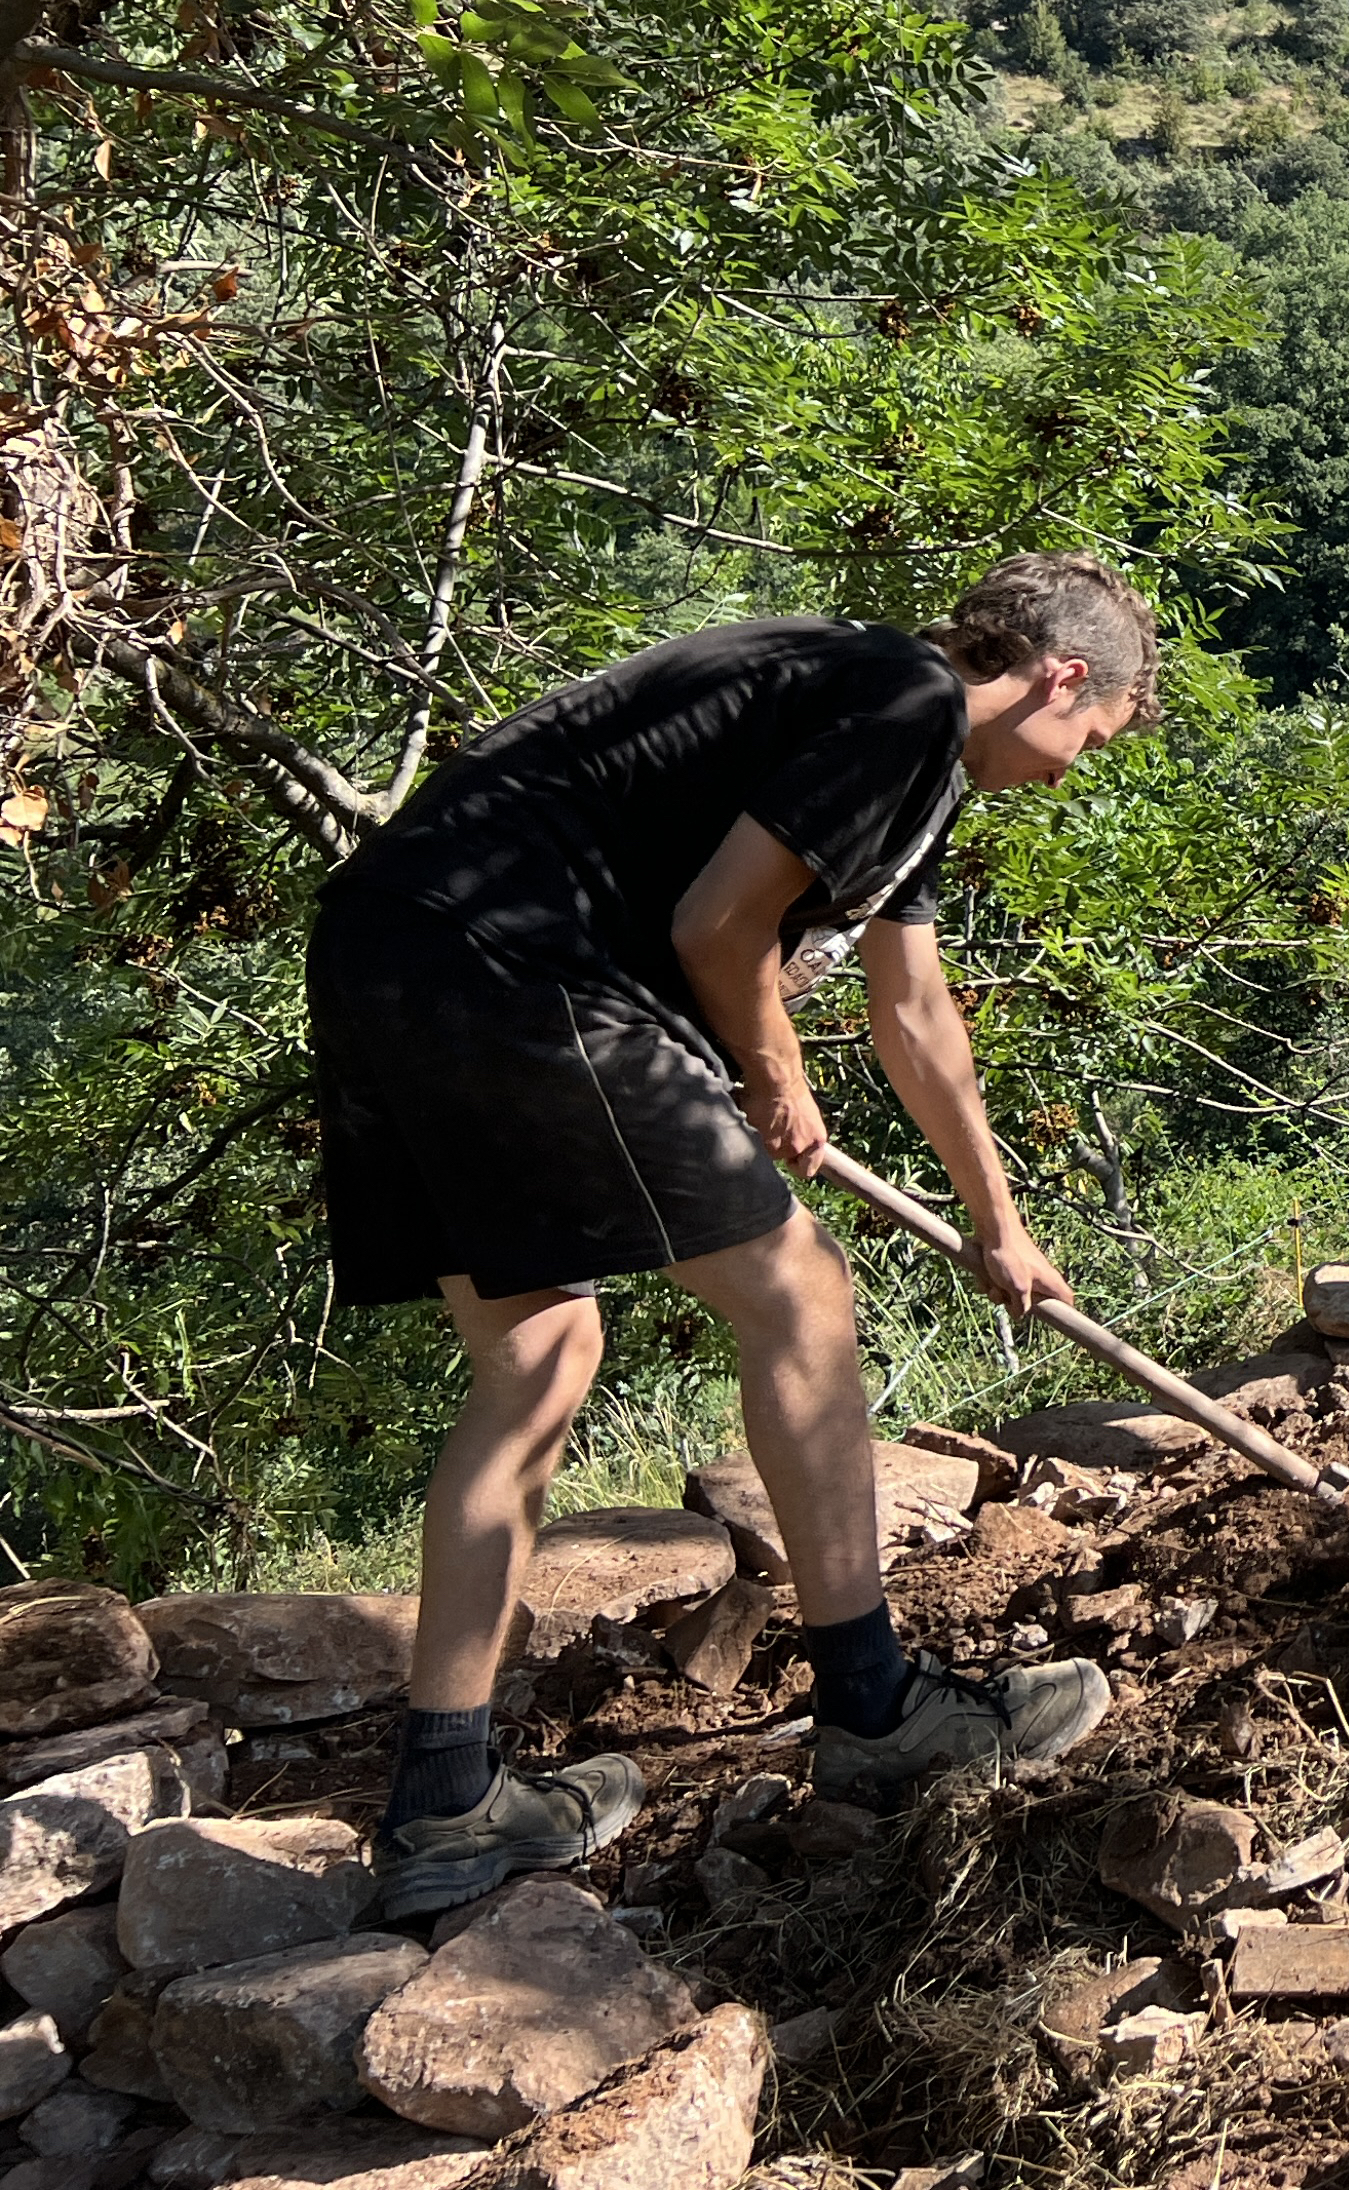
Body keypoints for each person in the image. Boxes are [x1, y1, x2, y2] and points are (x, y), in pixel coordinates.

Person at [309, 554, 1157, 1915]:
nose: (1074, 772)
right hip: (514, 961)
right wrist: (768, 1066)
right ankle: (874, 1712)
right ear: (1064, 678)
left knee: (538, 1358)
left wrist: (1000, 1223)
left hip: (387, 951)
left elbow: (916, 1014)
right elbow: (719, 927)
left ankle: (443, 1805)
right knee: (803, 1299)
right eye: (1093, 740)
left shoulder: (887, 740)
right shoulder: (903, 705)